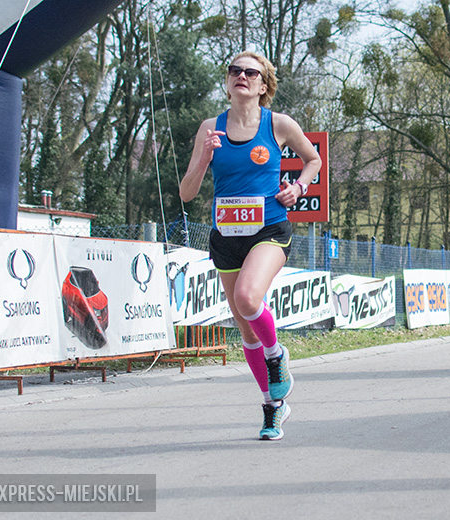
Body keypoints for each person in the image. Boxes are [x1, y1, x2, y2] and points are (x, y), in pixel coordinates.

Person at [180, 52, 322, 440]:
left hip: (269, 230)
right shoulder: (211, 128)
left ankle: (278, 355)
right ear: (227, 82)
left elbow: (313, 160)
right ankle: (273, 407)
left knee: (247, 297)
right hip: (226, 237)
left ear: (263, 85)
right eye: (234, 71)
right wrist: (205, 156)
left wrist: (297, 187)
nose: (241, 76)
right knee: (246, 332)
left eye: (250, 72)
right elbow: (187, 192)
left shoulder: (278, 124)